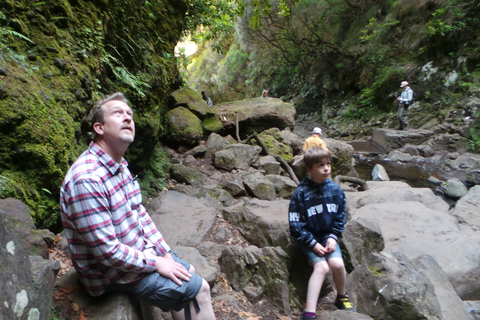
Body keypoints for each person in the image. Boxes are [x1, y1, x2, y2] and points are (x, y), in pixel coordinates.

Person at [60, 92, 216, 320]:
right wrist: (156, 263)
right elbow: (107, 252)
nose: (127, 118)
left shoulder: (120, 165)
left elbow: (139, 213)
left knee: (188, 272)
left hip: (136, 254)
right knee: (199, 288)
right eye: (117, 113)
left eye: (129, 114)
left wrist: (164, 253)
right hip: (109, 275)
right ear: (99, 128)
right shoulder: (87, 179)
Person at [289, 147, 355, 320]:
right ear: (309, 169)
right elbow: (295, 224)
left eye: (328, 164)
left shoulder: (336, 190)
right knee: (322, 267)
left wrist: (334, 236)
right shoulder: (301, 193)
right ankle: (309, 312)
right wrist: (312, 243)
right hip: (309, 239)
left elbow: (340, 217)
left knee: (338, 265)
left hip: (328, 237)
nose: (326, 168)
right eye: (320, 165)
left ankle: (342, 296)